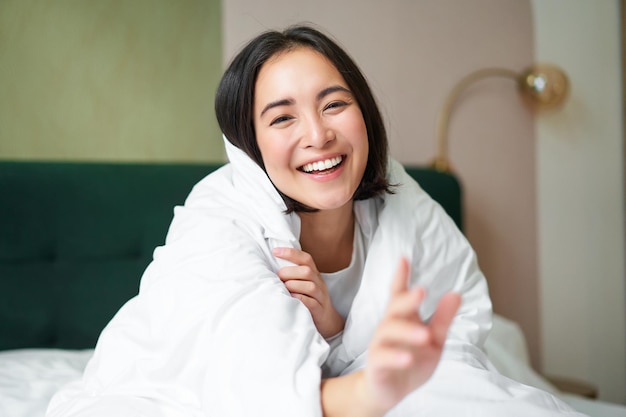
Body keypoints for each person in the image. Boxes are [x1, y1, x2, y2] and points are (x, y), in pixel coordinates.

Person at [46, 25, 586, 417]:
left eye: (334, 105)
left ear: (364, 113)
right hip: (173, 387)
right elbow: (254, 390)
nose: (318, 135)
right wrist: (372, 381)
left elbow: (458, 319)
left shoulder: (401, 196)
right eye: (283, 117)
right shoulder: (219, 224)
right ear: (249, 145)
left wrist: (336, 331)